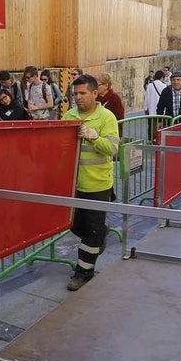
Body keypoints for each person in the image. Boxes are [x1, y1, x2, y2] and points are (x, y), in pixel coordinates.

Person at [62, 74, 119, 291]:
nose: (78, 97)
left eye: (82, 93)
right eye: (75, 93)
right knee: (76, 226)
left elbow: (113, 149)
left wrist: (94, 137)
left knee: (91, 233)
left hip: (98, 185)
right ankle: (100, 233)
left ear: (95, 93)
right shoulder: (68, 115)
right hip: (74, 185)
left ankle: (83, 273)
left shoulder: (107, 118)